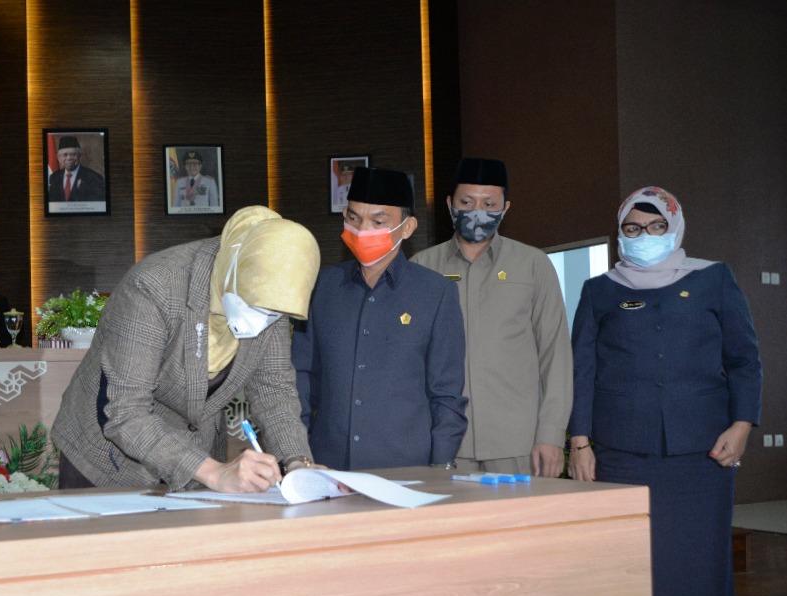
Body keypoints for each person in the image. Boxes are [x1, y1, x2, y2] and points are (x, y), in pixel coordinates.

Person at [568, 186, 761, 596]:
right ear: (620, 234)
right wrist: (580, 440)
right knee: (626, 560)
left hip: (703, 448)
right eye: (633, 229)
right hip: (621, 448)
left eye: (656, 227)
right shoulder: (599, 290)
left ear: (674, 227)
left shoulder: (713, 279)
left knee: (695, 560)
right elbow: (581, 369)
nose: (645, 237)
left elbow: (744, 358)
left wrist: (743, 423)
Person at [51, 205, 319, 492]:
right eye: (256, 306)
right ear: (232, 271)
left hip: (198, 461)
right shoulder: (154, 286)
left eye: (275, 314)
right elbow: (125, 411)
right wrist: (214, 473)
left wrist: (297, 464)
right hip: (107, 461)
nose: (264, 319)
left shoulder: (274, 295)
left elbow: (274, 393)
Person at [292, 166, 467, 470]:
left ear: (407, 227)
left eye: (378, 221)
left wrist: (441, 468)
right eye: (354, 218)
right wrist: (296, 456)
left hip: (406, 469)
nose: (362, 230)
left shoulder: (436, 293)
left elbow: (447, 395)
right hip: (328, 468)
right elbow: (301, 379)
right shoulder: (320, 287)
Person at [412, 157, 572, 477]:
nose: (477, 211)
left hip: (518, 442)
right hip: (443, 442)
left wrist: (552, 434)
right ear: (449, 204)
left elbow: (555, 355)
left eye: (489, 204)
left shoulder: (533, 264)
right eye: (466, 202)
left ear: (505, 208)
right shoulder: (422, 267)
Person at [48, 135, 105, 202]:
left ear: (80, 156)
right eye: (65, 155)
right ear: (58, 158)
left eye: (73, 154)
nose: (69, 158)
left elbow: (98, 203)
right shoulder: (53, 177)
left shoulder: (95, 178)